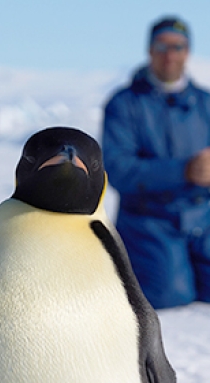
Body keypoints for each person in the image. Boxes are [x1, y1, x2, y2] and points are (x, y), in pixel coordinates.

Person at [102, 16, 210, 309]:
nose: (169, 54)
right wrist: (184, 171)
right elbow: (118, 169)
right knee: (170, 297)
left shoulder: (205, 103)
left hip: (202, 217)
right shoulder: (124, 104)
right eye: (161, 45)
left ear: (188, 52)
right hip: (149, 221)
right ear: (149, 50)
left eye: (178, 46)